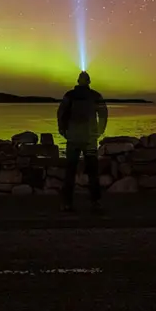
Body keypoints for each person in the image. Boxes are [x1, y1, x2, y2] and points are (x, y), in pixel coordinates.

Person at [57, 71, 108, 212]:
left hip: (73, 138)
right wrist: (99, 131)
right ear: (89, 81)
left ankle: (67, 203)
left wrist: (63, 131)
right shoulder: (95, 96)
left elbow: (61, 113)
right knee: (92, 171)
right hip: (89, 139)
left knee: (70, 170)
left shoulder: (69, 95)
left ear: (78, 81)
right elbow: (103, 114)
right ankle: (95, 201)